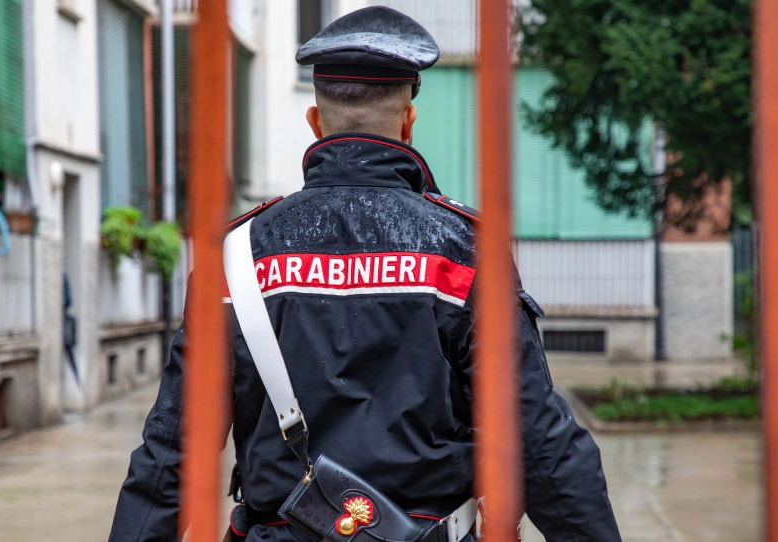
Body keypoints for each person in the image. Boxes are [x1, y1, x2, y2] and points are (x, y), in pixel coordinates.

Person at [109, 6, 621, 542]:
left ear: (315, 122)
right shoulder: (466, 251)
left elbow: (170, 455)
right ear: (407, 123)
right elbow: (540, 442)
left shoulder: (237, 257)